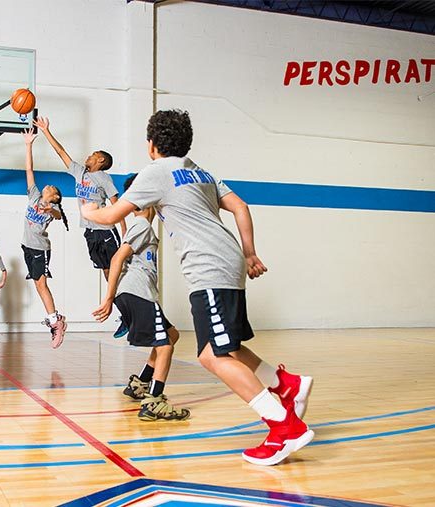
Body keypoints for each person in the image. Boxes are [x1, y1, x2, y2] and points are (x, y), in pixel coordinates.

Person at [81, 109, 313, 466]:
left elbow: (111, 217)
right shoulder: (200, 171)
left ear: (152, 145)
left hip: (209, 268)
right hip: (229, 261)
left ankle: (285, 427)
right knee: (225, 347)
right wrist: (250, 253)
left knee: (212, 356)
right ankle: (286, 383)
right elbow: (240, 206)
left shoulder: (156, 172)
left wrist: (86, 211)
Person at [93, 174, 189, 421]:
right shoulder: (141, 225)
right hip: (137, 292)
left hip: (137, 293)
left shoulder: (144, 225)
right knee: (165, 346)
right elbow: (117, 258)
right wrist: (108, 298)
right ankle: (154, 402)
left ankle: (140, 384)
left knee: (172, 335)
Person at [34, 117, 128, 337]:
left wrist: (124, 232)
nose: (89, 156)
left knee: (116, 274)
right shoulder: (80, 172)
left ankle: (128, 313)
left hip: (106, 232)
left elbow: (118, 205)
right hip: (90, 233)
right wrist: (46, 130)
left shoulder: (103, 178)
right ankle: (125, 314)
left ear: (101, 160)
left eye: (93, 154)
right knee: (107, 275)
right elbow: (61, 152)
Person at [21, 129, 69, 348]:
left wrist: (51, 211)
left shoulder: (54, 205)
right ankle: (54, 319)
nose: (47, 186)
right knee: (38, 285)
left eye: (51, 188)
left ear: (55, 196)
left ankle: (55, 320)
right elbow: (29, 169)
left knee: (41, 285)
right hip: (27, 247)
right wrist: (28, 144)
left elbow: (58, 216)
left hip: (40, 249)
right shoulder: (34, 196)